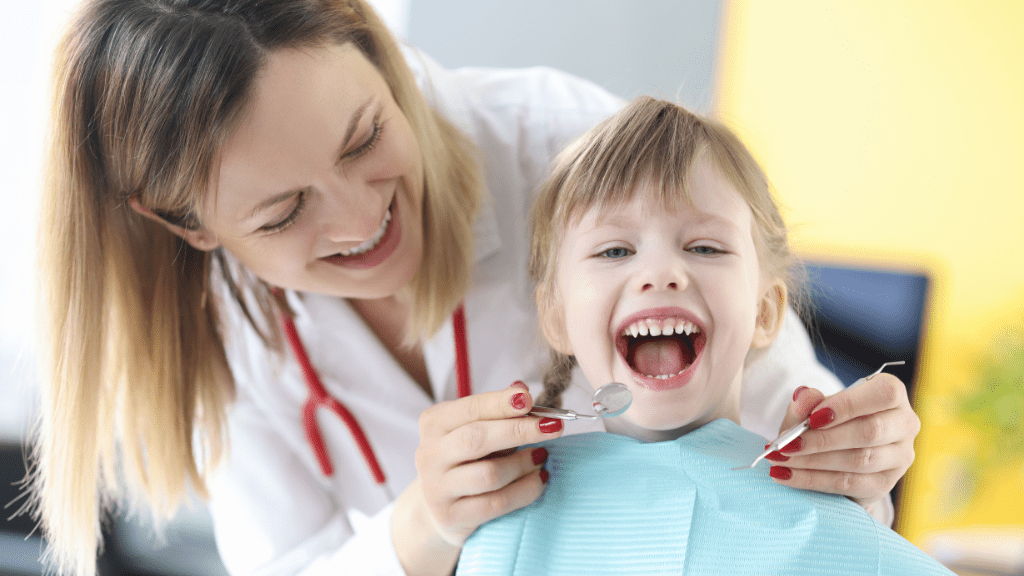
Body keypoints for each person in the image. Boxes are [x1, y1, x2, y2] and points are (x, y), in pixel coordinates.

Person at [31, 2, 919, 575]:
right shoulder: (222, 325)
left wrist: (854, 465)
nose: (357, 221)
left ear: (371, 44)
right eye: (282, 214)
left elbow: (779, 437)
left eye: (362, 139)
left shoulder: (576, 156)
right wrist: (422, 529)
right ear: (188, 227)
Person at [455, 96, 948, 575]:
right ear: (556, 317)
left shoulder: (829, 524)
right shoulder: (506, 523)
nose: (661, 272)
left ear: (765, 312)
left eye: (706, 247)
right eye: (613, 251)